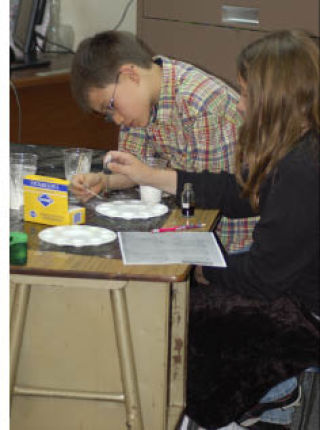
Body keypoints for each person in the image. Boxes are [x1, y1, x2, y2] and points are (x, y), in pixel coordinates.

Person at [73, 29, 320, 429]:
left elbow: (261, 280)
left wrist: (199, 266)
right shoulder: (298, 148)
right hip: (284, 281)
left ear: (279, 98)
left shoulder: (302, 169)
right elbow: (240, 192)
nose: (239, 106)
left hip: (306, 307)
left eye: (247, 94)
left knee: (183, 314)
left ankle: (235, 408)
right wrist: (150, 178)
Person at [70, 30, 259, 254]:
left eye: (111, 105)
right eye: (108, 114)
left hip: (234, 244)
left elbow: (207, 195)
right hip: (195, 223)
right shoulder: (141, 103)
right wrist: (104, 181)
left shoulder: (200, 104)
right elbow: (137, 170)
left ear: (131, 75)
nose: (117, 119)